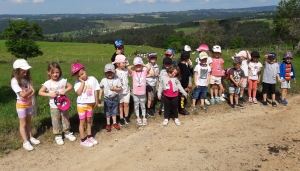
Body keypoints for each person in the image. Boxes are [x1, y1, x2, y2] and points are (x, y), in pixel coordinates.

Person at [38, 62, 76, 145]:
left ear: (60, 72)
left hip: (64, 104)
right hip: (54, 106)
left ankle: (67, 132)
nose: (55, 74)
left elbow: (70, 86)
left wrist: (64, 90)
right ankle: (58, 135)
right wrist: (50, 94)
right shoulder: (48, 83)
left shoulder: (62, 80)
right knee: (56, 120)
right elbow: (40, 92)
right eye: (53, 72)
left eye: (57, 72)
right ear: (48, 72)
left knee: (65, 118)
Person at [11, 59, 40, 151]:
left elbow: (33, 91)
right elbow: (22, 95)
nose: (25, 74)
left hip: (29, 104)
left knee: (28, 122)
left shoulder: (26, 79)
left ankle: (31, 137)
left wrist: (28, 94)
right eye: (23, 72)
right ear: (16, 70)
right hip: (21, 106)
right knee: (23, 123)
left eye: (26, 72)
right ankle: (25, 141)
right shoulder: (14, 81)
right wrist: (29, 93)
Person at [71, 62, 99, 147]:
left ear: (85, 70)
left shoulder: (93, 79)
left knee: (89, 121)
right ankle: (83, 140)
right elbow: (79, 93)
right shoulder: (77, 83)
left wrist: (96, 101)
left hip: (89, 105)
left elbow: (95, 91)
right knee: (82, 122)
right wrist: (82, 83)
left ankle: (89, 136)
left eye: (82, 73)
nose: (81, 76)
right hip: (81, 105)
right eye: (78, 76)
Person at [127, 57, 151, 126]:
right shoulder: (133, 73)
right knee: (136, 106)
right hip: (135, 93)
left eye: (139, 65)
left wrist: (143, 64)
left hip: (142, 93)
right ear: (134, 66)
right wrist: (133, 65)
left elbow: (149, 67)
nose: (138, 66)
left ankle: (144, 117)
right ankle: (138, 118)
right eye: (136, 65)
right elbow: (128, 68)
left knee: (143, 105)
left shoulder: (144, 72)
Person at [99, 64, 122, 132]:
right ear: (105, 73)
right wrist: (99, 97)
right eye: (107, 72)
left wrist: (114, 88)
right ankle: (108, 123)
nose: (109, 74)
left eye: (111, 72)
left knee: (114, 111)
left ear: (114, 72)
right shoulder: (103, 80)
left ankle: (114, 123)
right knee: (107, 112)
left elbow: (120, 88)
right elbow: (101, 88)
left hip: (114, 98)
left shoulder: (116, 80)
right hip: (107, 99)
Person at [113, 54, 131, 125]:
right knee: (120, 104)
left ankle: (126, 116)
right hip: (119, 92)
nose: (125, 64)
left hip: (126, 90)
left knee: (126, 104)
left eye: (125, 63)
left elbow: (130, 69)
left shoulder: (126, 70)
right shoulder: (115, 72)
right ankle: (121, 117)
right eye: (123, 63)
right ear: (117, 63)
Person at [145, 52, 159, 117]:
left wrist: (156, 74)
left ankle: (152, 107)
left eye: (154, 57)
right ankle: (148, 109)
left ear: (156, 58)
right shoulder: (146, 66)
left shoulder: (157, 66)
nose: (153, 59)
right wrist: (149, 73)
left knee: (153, 98)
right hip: (148, 83)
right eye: (151, 58)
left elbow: (157, 74)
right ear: (149, 58)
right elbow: (145, 74)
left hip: (154, 83)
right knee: (150, 98)